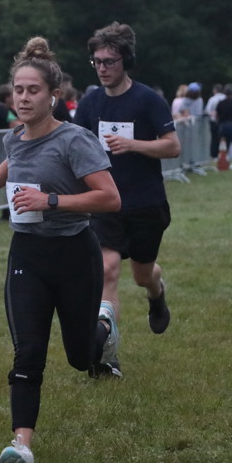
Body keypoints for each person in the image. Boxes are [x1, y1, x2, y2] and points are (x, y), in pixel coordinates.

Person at [0, 37, 120, 463]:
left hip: (74, 253)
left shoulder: (75, 140)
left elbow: (110, 198)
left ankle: (103, 326)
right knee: (28, 352)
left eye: (33, 90)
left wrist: (51, 200)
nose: (23, 98)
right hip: (27, 253)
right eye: (18, 90)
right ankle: (22, 449)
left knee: (80, 357)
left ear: (54, 96)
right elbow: (11, 163)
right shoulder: (15, 137)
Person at [73, 21, 180, 377]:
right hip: (106, 203)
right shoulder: (90, 103)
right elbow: (75, 146)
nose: (102, 68)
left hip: (146, 203)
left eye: (110, 61)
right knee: (107, 271)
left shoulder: (148, 100)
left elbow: (173, 146)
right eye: (97, 62)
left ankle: (157, 294)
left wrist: (133, 145)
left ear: (126, 61)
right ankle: (107, 356)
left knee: (142, 275)